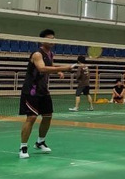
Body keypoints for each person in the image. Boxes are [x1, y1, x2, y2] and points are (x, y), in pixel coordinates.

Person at [19, 29, 80, 159]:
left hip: (43, 90)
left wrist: (58, 71)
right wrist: (64, 68)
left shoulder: (50, 54)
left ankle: (40, 142)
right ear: (42, 40)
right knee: (31, 118)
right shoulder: (37, 54)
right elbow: (42, 68)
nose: (52, 41)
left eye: (54, 39)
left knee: (48, 116)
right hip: (31, 91)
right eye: (49, 39)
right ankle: (23, 147)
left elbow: (50, 64)